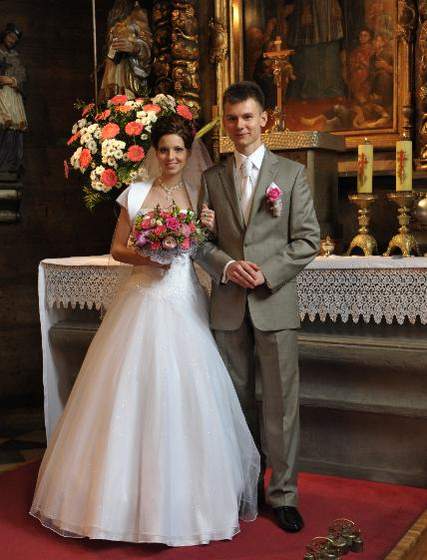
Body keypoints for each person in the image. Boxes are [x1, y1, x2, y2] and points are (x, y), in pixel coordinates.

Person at [30, 114, 260, 546]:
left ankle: (186, 505)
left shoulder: (199, 193)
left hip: (184, 301)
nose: (171, 157)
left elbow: (204, 248)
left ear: (188, 153)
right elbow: (118, 248)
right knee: (127, 391)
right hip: (141, 297)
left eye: (179, 150)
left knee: (184, 392)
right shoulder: (134, 194)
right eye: (165, 149)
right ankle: (117, 507)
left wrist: (205, 229)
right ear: (155, 152)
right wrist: (148, 256)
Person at [195, 81, 320, 533]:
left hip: (274, 302)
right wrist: (228, 266)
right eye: (231, 119)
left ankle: (283, 495)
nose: (240, 126)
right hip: (229, 307)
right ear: (224, 124)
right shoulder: (211, 179)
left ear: (264, 118)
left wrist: (265, 272)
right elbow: (200, 242)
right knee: (235, 402)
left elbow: (307, 240)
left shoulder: (292, 174)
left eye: (247, 117)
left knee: (281, 406)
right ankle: (245, 488)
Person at [99, 0, 152, 102]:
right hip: (112, 68)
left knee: (130, 102)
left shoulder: (138, 12)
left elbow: (148, 44)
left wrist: (134, 47)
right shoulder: (115, 13)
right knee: (111, 101)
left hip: (129, 70)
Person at [0, 22, 27, 171]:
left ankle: (10, 165)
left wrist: (14, 81)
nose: (12, 41)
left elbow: (23, 79)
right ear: (5, 35)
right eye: (10, 36)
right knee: (3, 125)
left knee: (14, 129)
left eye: (15, 39)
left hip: (13, 99)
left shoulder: (16, 58)